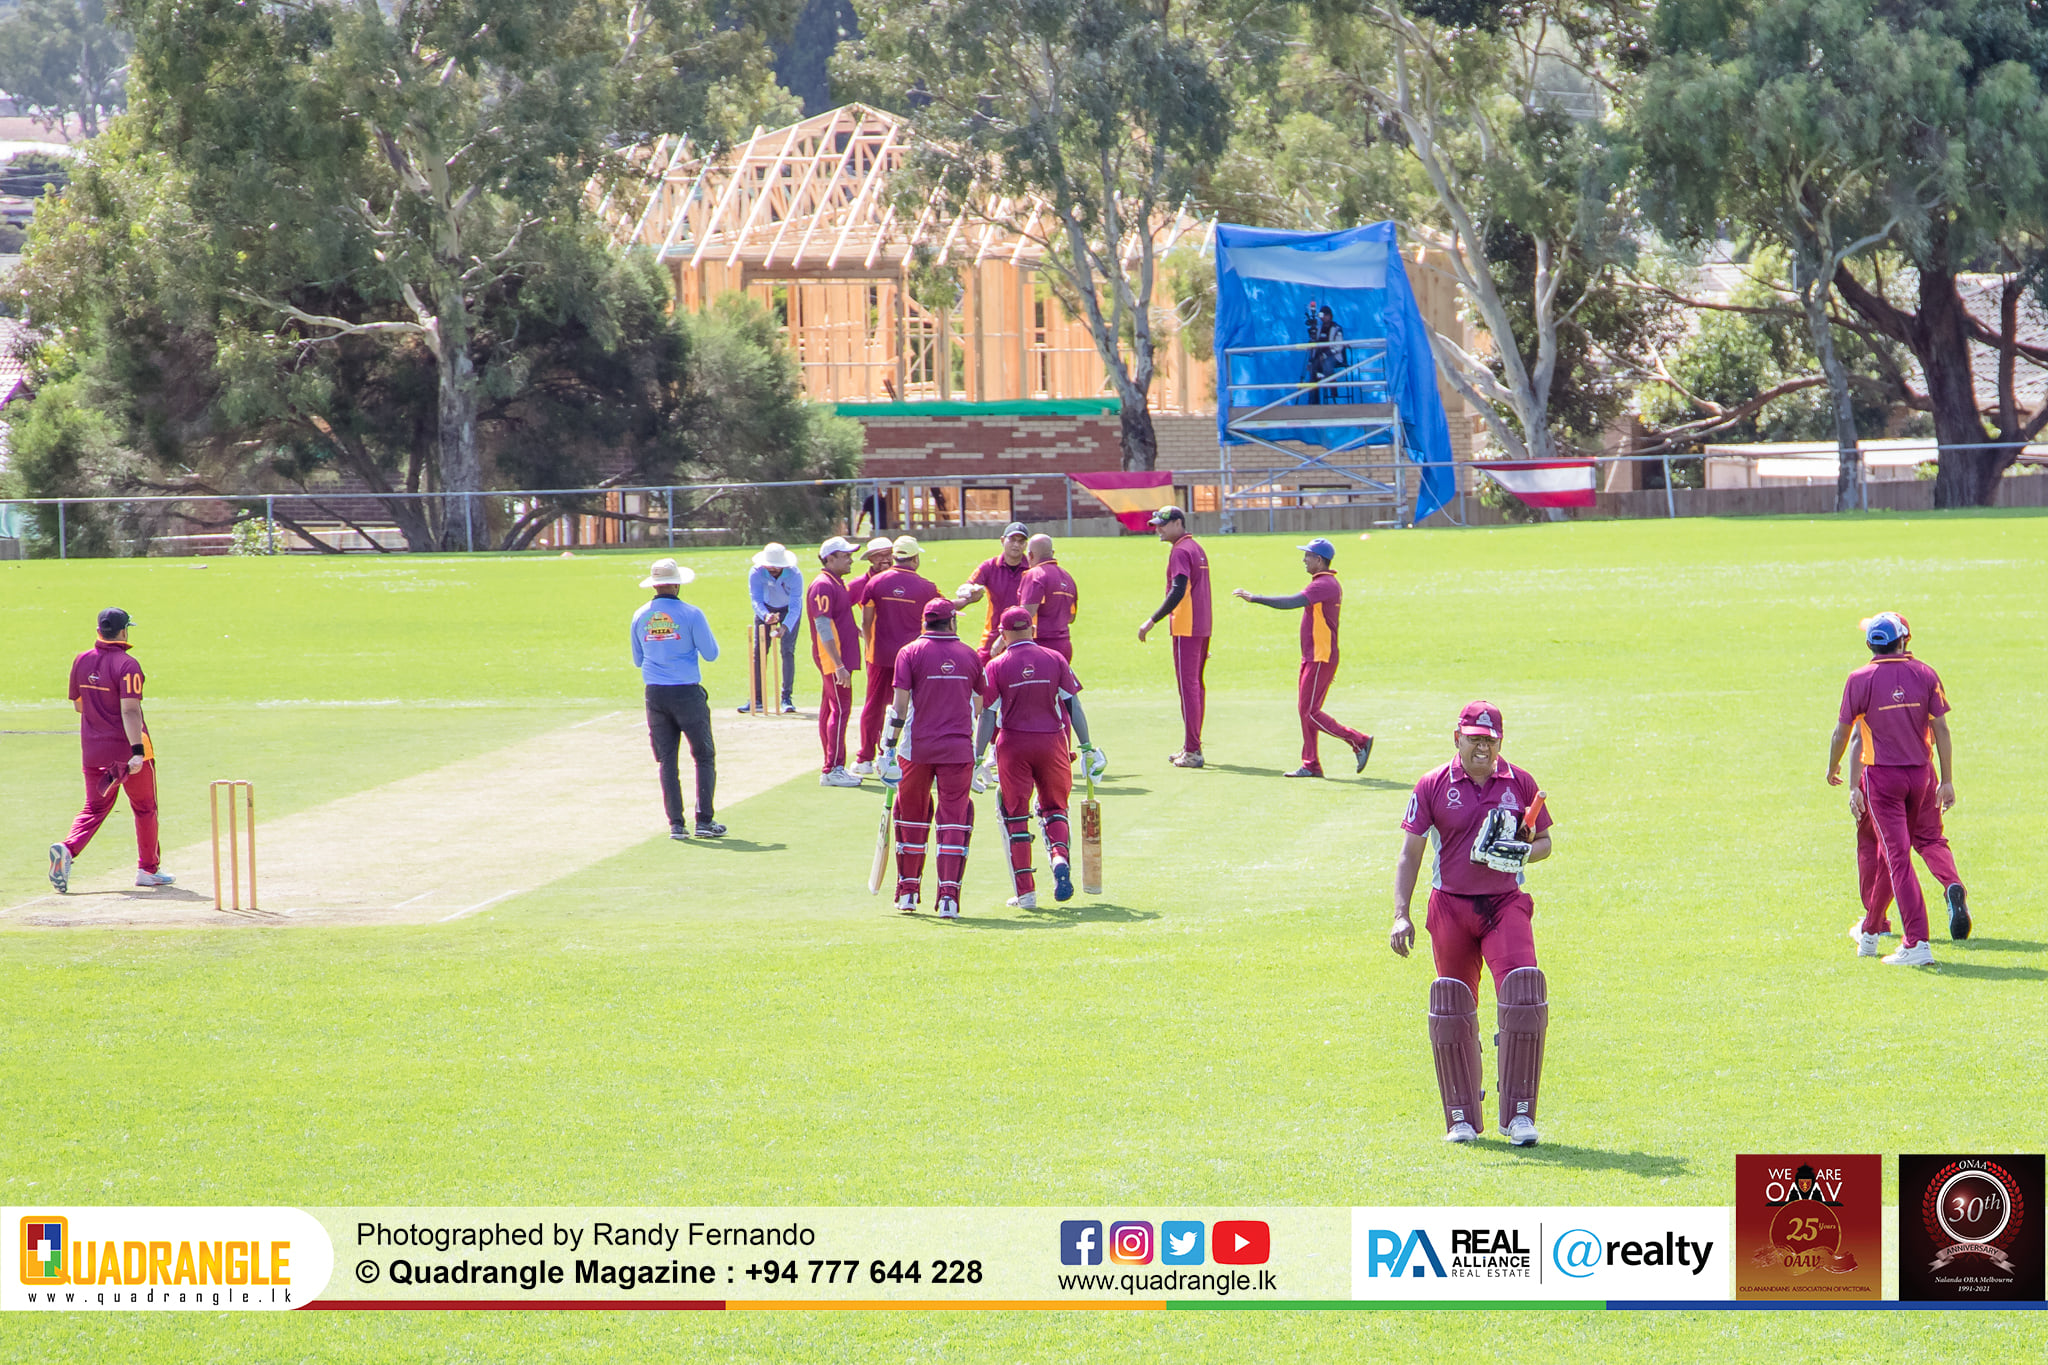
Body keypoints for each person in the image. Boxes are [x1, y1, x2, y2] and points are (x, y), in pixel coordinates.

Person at [1391, 701, 1554, 1147]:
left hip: (1505, 904)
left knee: (1523, 993)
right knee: (1453, 1006)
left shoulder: (1520, 782)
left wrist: (1521, 852)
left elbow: (1544, 843)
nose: (1482, 747)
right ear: (1457, 738)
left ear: (1500, 741)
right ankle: (1461, 1118)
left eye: (1490, 740)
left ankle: (1518, 1115)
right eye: (1474, 739)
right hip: (1450, 907)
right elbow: (1410, 853)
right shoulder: (1432, 785)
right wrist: (1400, 914)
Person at [1826, 611, 1965, 965]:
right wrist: (1946, 780)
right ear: (1902, 640)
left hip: (1882, 779)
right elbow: (1942, 730)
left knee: (1896, 858)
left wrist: (1833, 767)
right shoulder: (1925, 673)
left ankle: (1917, 943)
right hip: (1921, 775)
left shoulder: (1859, 679)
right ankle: (1871, 932)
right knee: (1895, 853)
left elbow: (1846, 733)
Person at [977, 606, 1103, 910]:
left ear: (1003, 635)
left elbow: (987, 717)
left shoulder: (996, 666)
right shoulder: (1055, 659)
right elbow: (1074, 707)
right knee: (1055, 809)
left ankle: (1027, 894)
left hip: (1013, 745)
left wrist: (977, 756)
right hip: (1053, 743)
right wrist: (1087, 747)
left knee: (1015, 816)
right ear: (1032, 630)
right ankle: (1059, 859)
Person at [49, 608, 173, 893]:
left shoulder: (81, 660)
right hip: (127, 753)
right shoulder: (128, 665)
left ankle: (67, 849)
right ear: (124, 631)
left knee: (95, 807)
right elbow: (130, 710)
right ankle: (147, 869)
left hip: (93, 752)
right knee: (144, 808)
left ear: (99, 630)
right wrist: (138, 752)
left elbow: (79, 705)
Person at [1231, 537, 1373, 778]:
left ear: (1319, 560)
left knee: (1309, 711)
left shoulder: (1324, 584)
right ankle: (1311, 764)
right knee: (1305, 709)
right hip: (1313, 656)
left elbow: (1292, 602)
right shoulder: (1323, 582)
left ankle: (1358, 740)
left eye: (1307, 555)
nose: (1304, 559)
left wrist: (1255, 598)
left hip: (1320, 656)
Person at [880, 598, 984, 919]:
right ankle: (949, 897)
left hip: (916, 748)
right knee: (954, 818)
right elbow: (979, 706)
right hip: (958, 750)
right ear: (951, 622)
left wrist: (887, 748)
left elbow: (898, 708)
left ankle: (908, 892)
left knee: (911, 816)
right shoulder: (970, 655)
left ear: (926, 622)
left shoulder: (909, 653)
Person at [630, 558, 724, 839]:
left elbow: (638, 659)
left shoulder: (640, 615)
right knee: (704, 755)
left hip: (655, 693)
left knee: (667, 759)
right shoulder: (691, 614)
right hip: (685, 690)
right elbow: (711, 653)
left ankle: (676, 824)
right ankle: (704, 821)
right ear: (676, 583)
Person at [852, 535, 940, 776]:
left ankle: (866, 758)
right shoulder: (927, 587)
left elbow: (866, 621)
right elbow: (942, 612)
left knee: (874, 706)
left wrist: (870, 649)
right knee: (914, 707)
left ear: (895, 557)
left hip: (879, 656)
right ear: (915, 558)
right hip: (913, 658)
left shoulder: (875, 583)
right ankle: (907, 756)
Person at [1136, 506, 1212, 767]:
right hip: (1201, 626)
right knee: (1196, 686)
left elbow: (1178, 590)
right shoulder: (1195, 547)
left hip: (1186, 626)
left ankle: (1192, 750)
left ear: (1179, 523)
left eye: (1163, 525)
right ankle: (1192, 745)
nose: (1158, 529)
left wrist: (1151, 620)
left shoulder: (1180, 551)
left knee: (1188, 687)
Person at [808, 536, 864, 787]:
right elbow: (822, 625)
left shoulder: (834, 582)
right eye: (845, 555)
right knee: (840, 710)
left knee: (831, 709)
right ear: (829, 559)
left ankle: (831, 764)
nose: (850, 559)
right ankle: (833, 767)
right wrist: (838, 664)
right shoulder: (823, 585)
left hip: (838, 658)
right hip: (834, 660)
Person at [955, 522, 1032, 664]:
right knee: (983, 674)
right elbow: (968, 585)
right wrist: (970, 591)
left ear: (1026, 545)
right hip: (994, 631)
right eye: (1012, 540)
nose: (1016, 545)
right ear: (1003, 540)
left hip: (1024, 633)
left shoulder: (1032, 568)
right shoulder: (990, 566)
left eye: (1021, 541)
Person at [739, 542, 802, 714]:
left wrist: (786, 626)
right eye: (770, 565)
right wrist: (765, 615)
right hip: (766, 608)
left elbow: (796, 604)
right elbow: (756, 599)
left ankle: (786, 698)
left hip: (789, 609)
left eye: (777, 565)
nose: (773, 568)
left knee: (787, 651)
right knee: (759, 653)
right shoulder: (756, 572)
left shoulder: (794, 574)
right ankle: (757, 699)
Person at [1016, 534, 1078, 663]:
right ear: (1052, 553)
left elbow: (1025, 615)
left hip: (1041, 646)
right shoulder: (1068, 578)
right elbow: (1071, 617)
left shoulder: (1035, 575)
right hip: (1064, 645)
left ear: (1030, 555)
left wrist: (1000, 642)